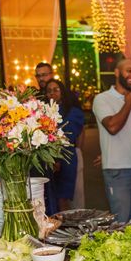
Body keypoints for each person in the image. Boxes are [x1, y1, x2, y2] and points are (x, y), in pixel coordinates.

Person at [92, 59, 131, 223]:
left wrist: (108, 150)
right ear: (117, 73)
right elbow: (112, 126)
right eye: (129, 70)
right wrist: (128, 104)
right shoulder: (102, 99)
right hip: (117, 170)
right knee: (121, 222)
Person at [45, 79, 85, 212]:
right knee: (50, 198)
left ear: (62, 91)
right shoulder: (42, 112)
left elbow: (68, 135)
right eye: (49, 91)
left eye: (56, 90)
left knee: (64, 199)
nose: (52, 93)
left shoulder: (72, 111)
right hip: (47, 160)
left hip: (66, 157)